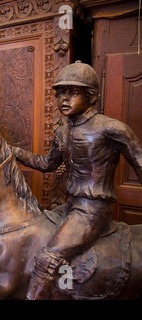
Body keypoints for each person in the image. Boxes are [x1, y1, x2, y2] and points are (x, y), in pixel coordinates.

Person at [13, 61, 142, 300]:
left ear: (91, 97)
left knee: (46, 259)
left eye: (72, 93)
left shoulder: (111, 128)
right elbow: (47, 164)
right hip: (70, 206)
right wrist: (14, 152)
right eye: (61, 93)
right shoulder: (63, 132)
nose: (64, 99)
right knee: (31, 230)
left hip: (93, 211)